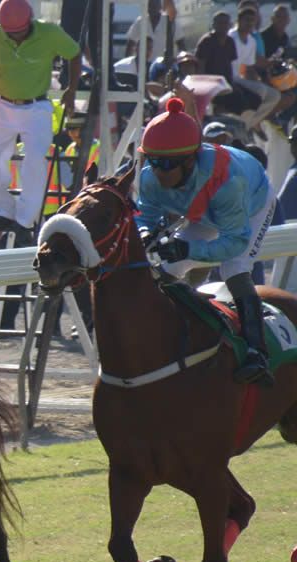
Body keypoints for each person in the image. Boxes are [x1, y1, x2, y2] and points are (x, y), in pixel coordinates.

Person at [137, 97, 275, 384]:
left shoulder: (229, 184)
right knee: (170, 268)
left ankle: (257, 352)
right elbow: (145, 217)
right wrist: (145, 234)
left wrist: (188, 247)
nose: (158, 171)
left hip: (252, 203)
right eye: (153, 161)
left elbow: (234, 242)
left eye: (166, 163)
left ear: (189, 160)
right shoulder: (150, 177)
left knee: (233, 267)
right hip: (204, 210)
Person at [0, 0, 82, 237]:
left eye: (20, 32)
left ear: (30, 20)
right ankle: (2, 211)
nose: (16, 37)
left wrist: (71, 90)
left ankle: (25, 219)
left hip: (35, 107)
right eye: (10, 33)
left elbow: (74, 54)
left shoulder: (49, 33)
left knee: (35, 158)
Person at [230, 4, 282, 129]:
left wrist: (258, 82)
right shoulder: (231, 37)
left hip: (240, 78)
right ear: (239, 21)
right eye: (246, 20)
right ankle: (242, 124)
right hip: (229, 77)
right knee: (260, 91)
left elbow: (248, 68)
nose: (249, 23)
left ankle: (248, 125)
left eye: (252, 20)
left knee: (274, 95)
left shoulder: (251, 41)